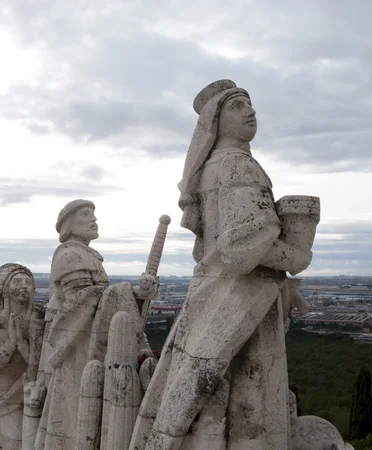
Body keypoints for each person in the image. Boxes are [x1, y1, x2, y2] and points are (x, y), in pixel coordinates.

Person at [130, 80, 314, 450]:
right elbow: (241, 251)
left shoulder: (214, 167)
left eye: (251, 104)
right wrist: (296, 256)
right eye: (237, 105)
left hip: (213, 294)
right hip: (239, 299)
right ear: (216, 119)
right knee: (246, 403)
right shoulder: (237, 167)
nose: (250, 111)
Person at [33, 199, 157, 450]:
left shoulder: (87, 256)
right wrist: (131, 292)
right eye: (85, 214)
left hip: (86, 348)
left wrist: (139, 295)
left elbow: (97, 298)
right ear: (68, 224)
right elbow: (80, 303)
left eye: (94, 215)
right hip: (77, 349)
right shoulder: (70, 256)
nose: (93, 220)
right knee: (74, 414)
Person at [0, 263, 35, 450]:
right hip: (1, 394)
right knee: (11, 443)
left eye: (28, 281)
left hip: (29, 390)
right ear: (4, 288)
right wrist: (10, 345)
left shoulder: (38, 320)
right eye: (17, 281)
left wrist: (21, 345)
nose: (24, 285)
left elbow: (41, 363)